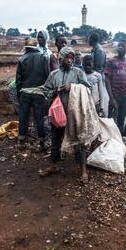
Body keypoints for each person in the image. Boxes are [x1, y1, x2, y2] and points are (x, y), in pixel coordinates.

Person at [42, 46, 91, 181]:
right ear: (61, 59)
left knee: (79, 140)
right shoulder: (54, 75)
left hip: (74, 113)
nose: (70, 60)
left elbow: (88, 89)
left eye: (72, 58)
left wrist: (73, 87)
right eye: (67, 58)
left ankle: (83, 170)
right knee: (55, 140)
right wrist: (55, 91)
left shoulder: (78, 73)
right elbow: (46, 91)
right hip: (59, 113)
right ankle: (53, 165)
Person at [15, 37, 50, 151]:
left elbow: (18, 80)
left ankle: (21, 141)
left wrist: (19, 95)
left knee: (23, 117)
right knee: (39, 118)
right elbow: (47, 76)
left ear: (26, 48)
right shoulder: (43, 57)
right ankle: (42, 142)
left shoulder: (22, 59)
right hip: (39, 92)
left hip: (25, 92)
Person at [104, 40, 126, 133]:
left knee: (121, 120)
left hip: (125, 96)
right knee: (111, 121)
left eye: (123, 46)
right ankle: (110, 142)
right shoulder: (111, 61)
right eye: (119, 45)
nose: (120, 47)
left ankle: (119, 142)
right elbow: (107, 79)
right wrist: (111, 98)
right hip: (115, 96)